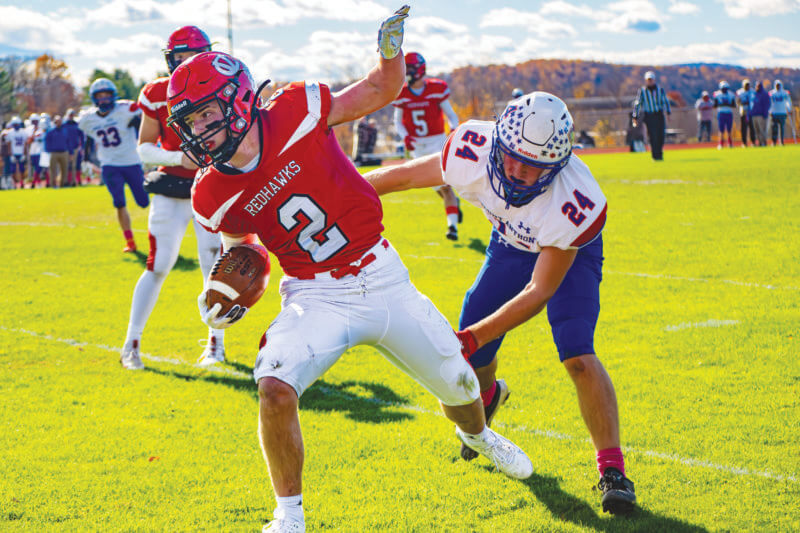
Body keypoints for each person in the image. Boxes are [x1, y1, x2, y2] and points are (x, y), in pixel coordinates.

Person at [167, 8, 533, 532]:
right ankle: (288, 516)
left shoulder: (296, 108)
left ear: (237, 99)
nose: (198, 130)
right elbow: (245, 251)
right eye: (189, 122)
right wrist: (228, 290)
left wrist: (389, 48)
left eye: (204, 114)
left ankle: (478, 435)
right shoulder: (211, 191)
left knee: (461, 386)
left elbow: (383, 88)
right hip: (314, 296)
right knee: (273, 385)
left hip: (382, 275)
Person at [365, 91, 637, 516]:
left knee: (577, 353)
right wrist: (344, 196)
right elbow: (398, 177)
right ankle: (490, 396)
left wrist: (471, 337)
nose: (516, 170)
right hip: (509, 243)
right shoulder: (472, 149)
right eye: (511, 156)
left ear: (557, 165)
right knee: (472, 369)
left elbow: (539, 291)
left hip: (565, 252)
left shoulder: (574, 202)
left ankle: (613, 470)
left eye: (533, 165)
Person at [119, 25, 224, 371]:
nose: (184, 64)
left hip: (212, 188)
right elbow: (144, 148)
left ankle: (215, 345)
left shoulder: (225, 85)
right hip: (173, 190)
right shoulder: (157, 92)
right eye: (178, 58)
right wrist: (179, 158)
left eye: (191, 56)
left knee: (213, 263)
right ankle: (131, 344)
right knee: (159, 264)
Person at [392, 51, 462, 240]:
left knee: (445, 185)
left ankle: (452, 227)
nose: (408, 73)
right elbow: (397, 121)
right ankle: (454, 206)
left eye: (411, 68)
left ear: (420, 69)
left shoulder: (436, 88)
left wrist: (454, 130)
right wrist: (405, 136)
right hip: (417, 145)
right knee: (436, 186)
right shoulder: (402, 92)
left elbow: (452, 115)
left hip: (437, 141)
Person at [79, 78, 149, 252]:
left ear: (113, 96)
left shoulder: (125, 109)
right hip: (109, 165)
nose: (104, 100)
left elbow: (146, 116)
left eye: (107, 96)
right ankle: (130, 242)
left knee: (143, 202)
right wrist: (87, 159)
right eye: (100, 96)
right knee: (119, 202)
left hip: (131, 162)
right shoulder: (87, 119)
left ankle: (155, 234)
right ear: (94, 99)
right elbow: (88, 139)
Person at [632, 70, 670, 160]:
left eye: (651, 80)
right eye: (648, 80)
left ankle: (660, 154)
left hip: (659, 114)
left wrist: (668, 113)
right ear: (646, 80)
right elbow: (638, 103)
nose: (650, 81)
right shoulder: (642, 91)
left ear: (654, 80)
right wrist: (635, 116)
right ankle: (655, 155)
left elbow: (665, 101)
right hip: (649, 116)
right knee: (653, 136)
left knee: (661, 135)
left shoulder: (660, 89)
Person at [44, 115, 70, 188]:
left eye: (60, 121)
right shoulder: (51, 131)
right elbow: (47, 141)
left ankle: (62, 184)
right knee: (53, 170)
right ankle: (53, 185)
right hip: (54, 152)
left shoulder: (65, 130)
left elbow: (68, 141)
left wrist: (70, 151)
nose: (58, 122)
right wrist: (48, 150)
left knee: (64, 170)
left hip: (64, 152)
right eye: (57, 121)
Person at [5, 117, 29, 189]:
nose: (16, 126)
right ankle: (15, 184)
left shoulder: (23, 132)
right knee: (13, 170)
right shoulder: (10, 132)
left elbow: (25, 144)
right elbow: (9, 144)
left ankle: (22, 183)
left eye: (17, 124)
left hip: (21, 153)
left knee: (22, 169)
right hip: (14, 153)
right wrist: (11, 154)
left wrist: (24, 154)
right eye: (14, 125)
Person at [62, 108, 85, 186]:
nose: (71, 116)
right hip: (65, 148)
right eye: (70, 115)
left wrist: (82, 147)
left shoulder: (77, 125)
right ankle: (67, 181)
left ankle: (75, 181)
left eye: (72, 115)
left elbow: (82, 137)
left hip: (75, 147)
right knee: (66, 165)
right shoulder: (64, 125)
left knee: (75, 165)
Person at [768, 80, 792, 146]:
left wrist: (789, 109)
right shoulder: (771, 93)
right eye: (777, 85)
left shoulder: (785, 93)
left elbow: (788, 101)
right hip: (774, 113)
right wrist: (770, 110)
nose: (778, 86)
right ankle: (774, 142)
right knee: (774, 128)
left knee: (782, 129)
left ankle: (781, 141)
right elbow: (769, 103)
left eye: (779, 85)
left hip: (782, 112)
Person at [712, 81, 736, 149]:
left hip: (728, 113)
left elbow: (734, 105)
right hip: (721, 113)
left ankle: (730, 143)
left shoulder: (731, 94)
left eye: (725, 88)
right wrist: (722, 104)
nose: (724, 90)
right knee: (721, 129)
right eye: (723, 88)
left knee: (729, 129)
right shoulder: (717, 94)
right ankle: (721, 143)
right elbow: (715, 105)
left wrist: (727, 104)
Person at [749, 81, 770, 147]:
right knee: (756, 130)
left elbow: (767, 105)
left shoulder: (764, 94)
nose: (758, 87)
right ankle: (760, 142)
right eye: (757, 86)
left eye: (759, 86)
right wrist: (750, 113)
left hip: (761, 115)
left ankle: (763, 142)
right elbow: (751, 104)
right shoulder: (754, 94)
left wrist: (765, 114)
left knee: (762, 130)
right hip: (754, 115)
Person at [736, 79, 755, 147]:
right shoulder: (740, 92)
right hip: (743, 111)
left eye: (748, 85)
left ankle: (753, 142)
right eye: (746, 85)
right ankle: (744, 143)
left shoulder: (752, 91)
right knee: (744, 128)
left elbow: (755, 100)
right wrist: (742, 102)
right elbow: (737, 102)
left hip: (751, 112)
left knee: (752, 128)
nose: (747, 86)